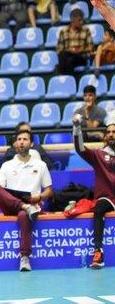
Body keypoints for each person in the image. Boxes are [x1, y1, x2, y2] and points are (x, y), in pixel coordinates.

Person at [0, 130, 53, 272]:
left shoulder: (40, 165)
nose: (22, 142)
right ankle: (23, 206)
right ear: (15, 144)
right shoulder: (7, 165)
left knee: (24, 215)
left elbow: (49, 190)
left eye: (25, 139)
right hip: (11, 204)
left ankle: (24, 258)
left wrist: (39, 197)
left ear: (31, 143)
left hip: (33, 204)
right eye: (19, 139)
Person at [73, 115, 115, 269]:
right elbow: (80, 149)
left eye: (114, 132)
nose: (111, 134)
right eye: (108, 132)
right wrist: (77, 127)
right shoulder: (99, 155)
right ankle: (98, 252)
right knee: (99, 208)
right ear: (105, 137)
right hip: (108, 198)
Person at [56, 8, 94, 75]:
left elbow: (91, 47)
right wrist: (70, 50)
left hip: (81, 56)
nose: (81, 22)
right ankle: (69, 77)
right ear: (73, 20)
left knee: (66, 62)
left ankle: (63, 74)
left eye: (82, 20)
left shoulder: (86, 30)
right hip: (68, 56)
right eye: (79, 20)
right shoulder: (63, 31)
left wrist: (80, 50)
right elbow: (59, 49)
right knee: (65, 56)